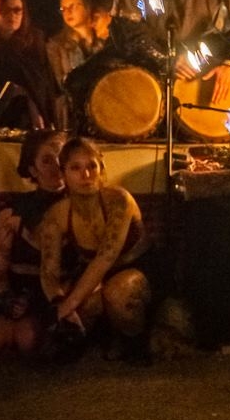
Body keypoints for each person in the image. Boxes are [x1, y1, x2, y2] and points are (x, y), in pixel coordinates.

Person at [40, 137, 154, 363]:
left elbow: (106, 257)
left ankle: (137, 344)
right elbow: (48, 271)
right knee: (82, 304)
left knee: (117, 293)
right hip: (95, 274)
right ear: (63, 174)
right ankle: (100, 337)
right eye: (75, 168)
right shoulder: (57, 215)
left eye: (91, 166)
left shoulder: (118, 200)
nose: (86, 175)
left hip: (137, 267)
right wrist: (59, 303)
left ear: (101, 168)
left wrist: (68, 305)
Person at [0, 129, 66, 357]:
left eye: (62, 157)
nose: (57, 166)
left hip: (59, 291)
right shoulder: (15, 210)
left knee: (27, 340)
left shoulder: (78, 205)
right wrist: (7, 298)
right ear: (33, 169)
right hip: (20, 288)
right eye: (47, 160)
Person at [0, 0, 58, 129]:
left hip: (27, 120)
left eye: (17, 10)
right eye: (5, 10)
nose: (12, 15)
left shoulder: (33, 43)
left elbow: (44, 84)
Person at [46, 0, 105, 129]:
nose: (67, 12)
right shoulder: (56, 45)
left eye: (72, 6)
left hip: (103, 108)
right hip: (72, 114)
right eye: (63, 9)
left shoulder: (103, 41)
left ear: (87, 7)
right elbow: (61, 83)